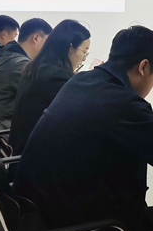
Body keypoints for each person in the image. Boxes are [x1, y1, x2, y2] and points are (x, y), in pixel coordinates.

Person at [12, 25, 153, 231]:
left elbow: (115, 127)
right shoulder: (123, 102)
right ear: (143, 67)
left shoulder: (84, 80)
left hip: (39, 216)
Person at [9, 20, 91, 156]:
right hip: (37, 156)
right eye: (84, 52)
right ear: (70, 47)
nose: (83, 59)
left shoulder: (38, 67)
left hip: (23, 148)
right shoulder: (58, 78)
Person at [0, 18, 52, 130]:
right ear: (36, 38)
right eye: (48, 42)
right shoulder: (20, 64)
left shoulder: (6, 54)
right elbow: (43, 96)